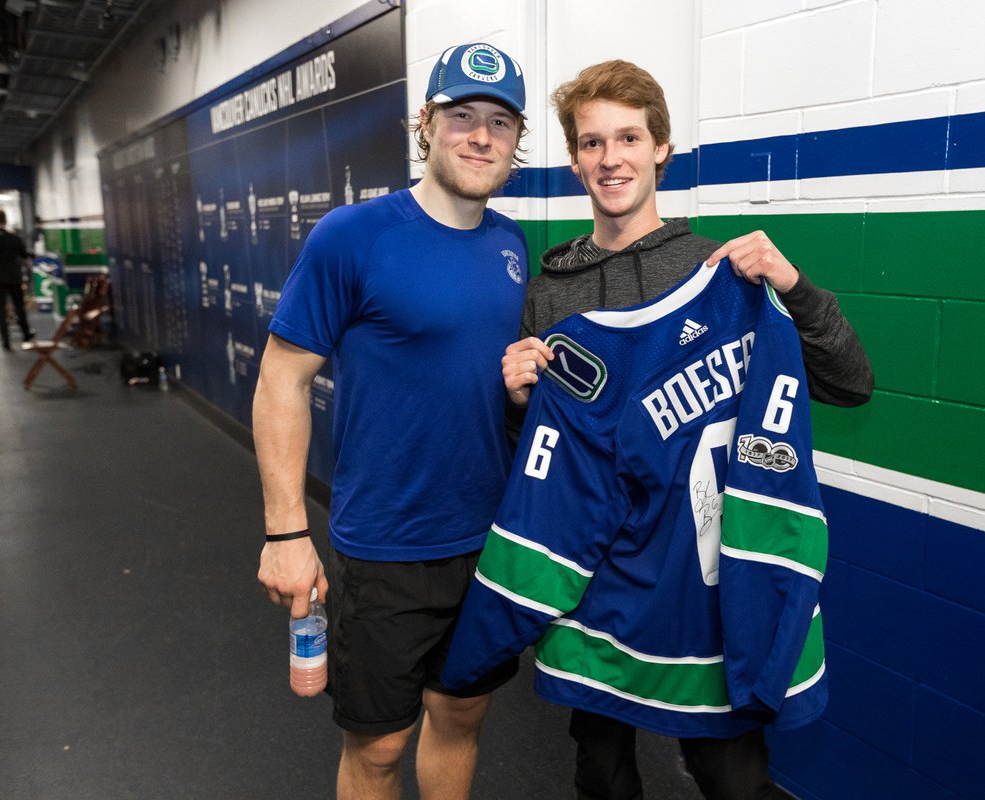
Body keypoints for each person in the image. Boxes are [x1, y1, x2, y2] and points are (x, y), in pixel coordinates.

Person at [446, 60, 873, 799]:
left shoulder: (721, 272)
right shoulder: (548, 298)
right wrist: (516, 401)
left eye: (628, 138)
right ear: (575, 158)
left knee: (733, 778)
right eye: (591, 143)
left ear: (661, 150)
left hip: (701, 588)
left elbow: (850, 383)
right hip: (593, 585)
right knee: (604, 777)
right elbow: (532, 466)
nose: (610, 158)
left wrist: (793, 287)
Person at [253, 42, 529, 800]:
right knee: (378, 749)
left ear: (516, 140)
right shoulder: (353, 235)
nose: (480, 135)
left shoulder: (512, 245)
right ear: (426, 123)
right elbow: (281, 379)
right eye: (462, 115)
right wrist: (285, 532)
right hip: (388, 545)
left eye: (499, 122)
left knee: (462, 715)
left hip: (489, 541)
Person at [0, 210, 34, 351]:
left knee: (0, 309)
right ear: (5, 221)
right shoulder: (14, 238)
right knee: (19, 306)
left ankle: (6, 340)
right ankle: (26, 333)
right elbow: (24, 255)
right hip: (14, 277)